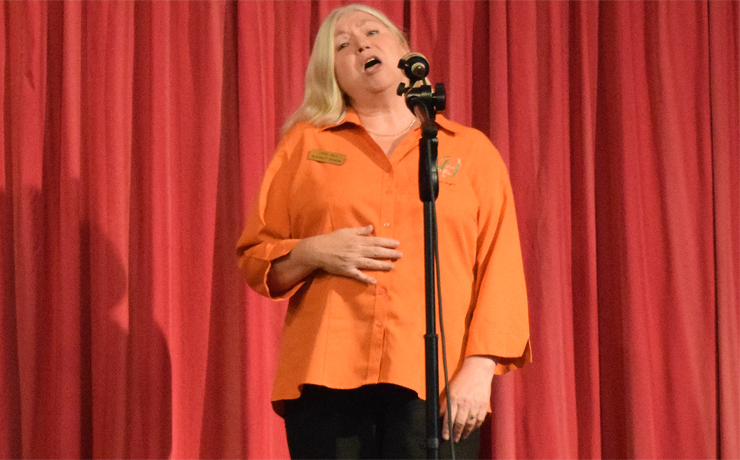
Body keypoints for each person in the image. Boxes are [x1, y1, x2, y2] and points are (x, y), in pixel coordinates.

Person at [236, 4, 530, 459]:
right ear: (332, 74)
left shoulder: (470, 152)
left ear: (403, 48)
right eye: (342, 46)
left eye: (372, 32)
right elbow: (257, 258)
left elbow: (500, 266)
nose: (360, 45)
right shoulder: (305, 145)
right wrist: (313, 251)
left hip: (434, 382)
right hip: (326, 378)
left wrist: (479, 367)